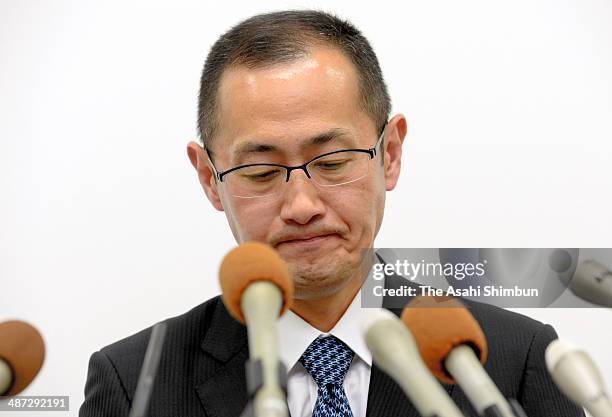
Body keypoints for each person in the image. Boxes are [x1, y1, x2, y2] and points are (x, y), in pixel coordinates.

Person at [80, 10, 584, 417]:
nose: (301, 206)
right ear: (209, 179)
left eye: (333, 162)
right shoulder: (133, 384)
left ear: (389, 153)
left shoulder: (515, 360)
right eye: (259, 171)